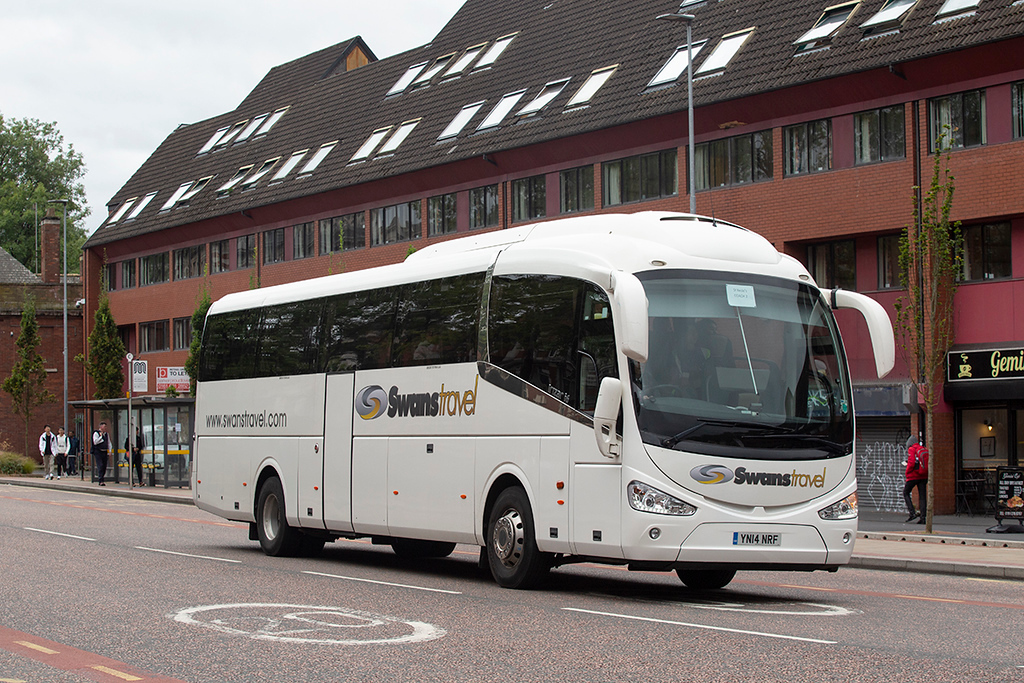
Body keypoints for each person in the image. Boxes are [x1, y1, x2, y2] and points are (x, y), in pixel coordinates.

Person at [903, 435, 929, 524]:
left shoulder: (912, 449)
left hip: (914, 476)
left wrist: (907, 472)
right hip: (923, 476)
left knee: (906, 492)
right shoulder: (923, 448)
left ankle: (912, 513)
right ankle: (923, 518)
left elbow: (911, 463)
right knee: (922, 496)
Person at [92, 422, 111, 486]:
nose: (105, 428)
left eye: (106, 427)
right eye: (104, 426)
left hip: (104, 451)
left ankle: (102, 477)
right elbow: (95, 442)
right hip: (98, 452)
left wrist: (109, 450)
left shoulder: (106, 434)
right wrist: (101, 437)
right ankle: (100, 480)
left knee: (104, 466)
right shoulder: (96, 433)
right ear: (101, 427)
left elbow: (109, 443)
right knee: (100, 465)